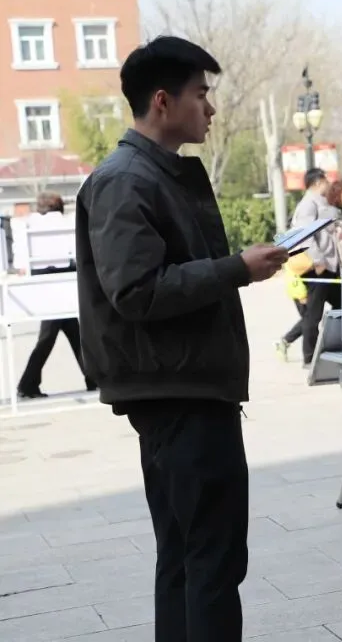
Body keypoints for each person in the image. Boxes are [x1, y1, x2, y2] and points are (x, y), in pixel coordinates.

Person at [75, 36, 289, 642]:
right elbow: (137, 290)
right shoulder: (126, 180)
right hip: (179, 392)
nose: (211, 109)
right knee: (210, 561)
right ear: (163, 101)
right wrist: (236, 268)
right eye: (201, 94)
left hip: (184, 387)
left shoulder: (154, 174)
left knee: (187, 558)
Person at [17, 192, 95, 399]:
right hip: (63, 282)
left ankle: (92, 378)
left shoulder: (30, 224)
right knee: (50, 336)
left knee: (73, 333)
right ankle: (27, 384)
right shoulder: (65, 223)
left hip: (43, 284)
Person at [292, 168, 342, 366]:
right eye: (325, 180)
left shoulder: (321, 203)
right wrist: (318, 260)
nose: (328, 184)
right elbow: (305, 236)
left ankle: (336, 344)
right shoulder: (308, 204)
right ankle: (309, 357)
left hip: (330, 267)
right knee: (313, 315)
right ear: (317, 182)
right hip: (317, 269)